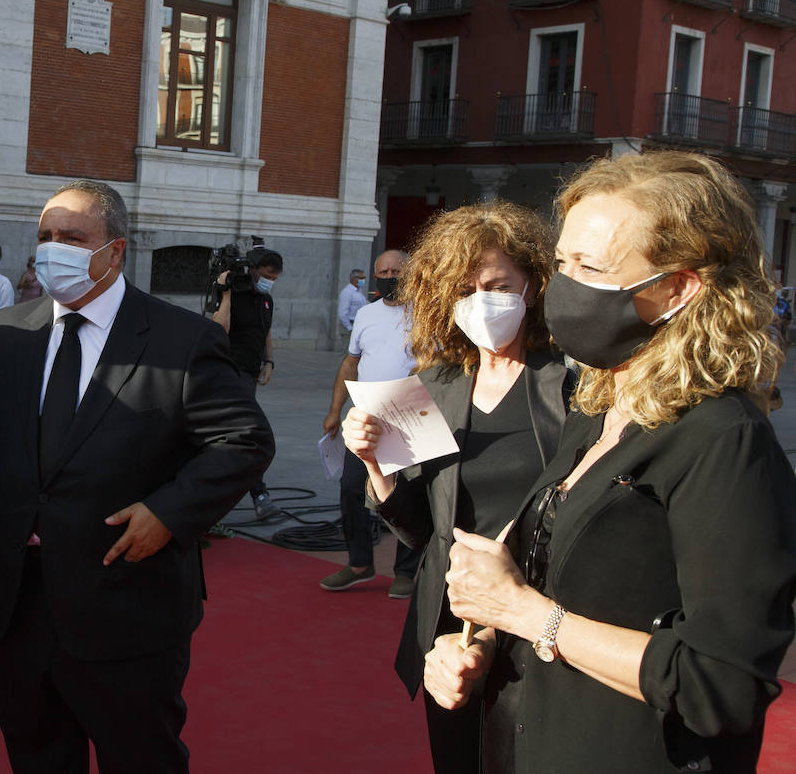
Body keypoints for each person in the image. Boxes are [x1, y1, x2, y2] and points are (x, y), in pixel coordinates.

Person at [435, 152, 796, 772]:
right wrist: (485, 642)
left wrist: (526, 613)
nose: (564, 287)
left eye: (591, 268)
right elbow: (569, 589)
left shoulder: (723, 440)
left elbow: (723, 685)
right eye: (562, 263)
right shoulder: (597, 409)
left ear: (678, 288)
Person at [0, 179, 274, 773]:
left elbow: (244, 441)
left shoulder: (182, 338)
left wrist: (171, 513)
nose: (54, 250)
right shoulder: (9, 332)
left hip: (128, 604)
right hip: (22, 605)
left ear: (115, 251)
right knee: (37, 756)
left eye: (72, 237)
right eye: (45, 237)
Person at [340, 203, 573, 773]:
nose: (481, 302)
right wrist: (376, 465)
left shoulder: (570, 383)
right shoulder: (435, 385)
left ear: (533, 287)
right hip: (452, 619)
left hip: (543, 613)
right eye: (465, 290)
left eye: (497, 286)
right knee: (457, 757)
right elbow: (421, 531)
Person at [319, 249, 423, 597]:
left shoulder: (427, 313)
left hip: (410, 418)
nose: (389, 276)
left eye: (396, 271)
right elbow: (351, 364)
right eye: (383, 271)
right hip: (366, 417)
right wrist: (335, 410)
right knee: (351, 488)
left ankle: (406, 571)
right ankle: (359, 563)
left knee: (407, 494)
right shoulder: (365, 314)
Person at [211, 248, 284, 519]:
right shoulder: (234, 294)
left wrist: (269, 362)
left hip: (251, 374)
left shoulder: (265, 300)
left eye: (274, 277)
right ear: (253, 270)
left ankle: (236, 496)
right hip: (230, 372)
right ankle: (260, 496)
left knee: (239, 435)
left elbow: (265, 332)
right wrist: (226, 293)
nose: (269, 281)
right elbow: (219, 329)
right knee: (250, 433)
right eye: (266, 275)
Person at [337, 266, 367, 351]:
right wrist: (349, 328)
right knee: (347, 352)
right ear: (354, 279)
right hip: (349, 326)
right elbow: (342, 313)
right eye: (361, 278)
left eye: (364, 278)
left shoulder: (359, 292)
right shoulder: (347, 292)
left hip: (357, 325)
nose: (363, 280)